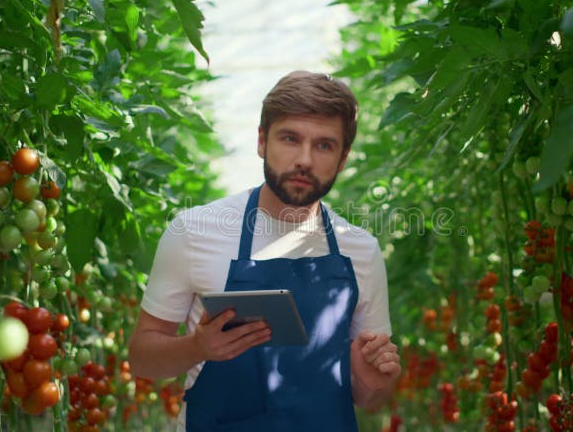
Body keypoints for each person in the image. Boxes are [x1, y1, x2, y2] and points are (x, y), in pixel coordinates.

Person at [128, 70, 401, 432]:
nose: (304, 159)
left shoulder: (361, 250)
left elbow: (371, 398)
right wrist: (197, 346)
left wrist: (371, 380)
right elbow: (142, 359)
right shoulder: (193, 231)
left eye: (324, 145)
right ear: (261, 141)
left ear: (343, 157)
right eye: (290, 138)